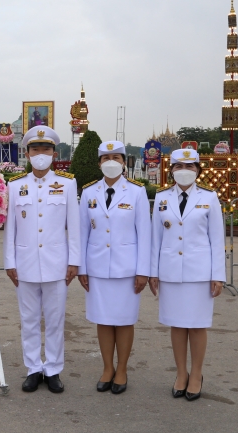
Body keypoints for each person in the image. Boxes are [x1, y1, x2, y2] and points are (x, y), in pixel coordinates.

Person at [4, 125, 80, 394]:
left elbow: (74, 226)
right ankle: (33, 369)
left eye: (45, 149)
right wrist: (9, 261)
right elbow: (10, 228)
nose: (40, 153)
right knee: (29, 319)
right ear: (27, 153)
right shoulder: (15, 186)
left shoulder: (68, 184)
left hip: (57, 263)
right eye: (35, 149)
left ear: (53, 153)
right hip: (24, 264)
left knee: (56, 319)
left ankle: (54, 369)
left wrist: (74, 261)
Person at [148, 148, 225, 401]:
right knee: (177, 325)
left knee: (197, 325)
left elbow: (216, 239)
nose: (184, 171)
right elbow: (155, 239)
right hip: (170, 271)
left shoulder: (209, 197)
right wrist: (153, 273)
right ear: (171, 170)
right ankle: (181, 373)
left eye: (190, 166)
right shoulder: (162, 198)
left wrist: (218, 275)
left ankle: (197, 374)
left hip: (199, 272)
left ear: (198, 170)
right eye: (178, 166)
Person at [78, 140, 151, 395]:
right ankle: (107, 368)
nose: (111, 162)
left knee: (124, 320)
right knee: (103, 320)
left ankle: (122, 369)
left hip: (127, 268)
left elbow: (145, 233)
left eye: (116, 158)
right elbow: (82, 233)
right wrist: (82, 269)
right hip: (97, 267)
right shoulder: (88, 192)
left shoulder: (136, 191)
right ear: (99, 163)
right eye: (106, 158)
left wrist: (144, 270)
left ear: (124, 162)